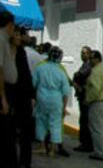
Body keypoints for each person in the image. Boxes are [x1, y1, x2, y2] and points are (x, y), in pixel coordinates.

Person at [33, 47, 71, 158]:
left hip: (42, 98)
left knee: (41, 122)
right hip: (56, 100)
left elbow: (34, 83)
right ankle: (52, 150)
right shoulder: (61, 71)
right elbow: (65, 92)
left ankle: (42, 146)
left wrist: (34, 99)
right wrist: (64, 108)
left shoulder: (40, 68)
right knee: (55, 124)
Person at [12, 28, 35, 168]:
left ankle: (24, 162)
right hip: (18, 98)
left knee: (23, 135)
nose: (28, 37)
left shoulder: (21, 52)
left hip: (22, 99)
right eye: (26, 34)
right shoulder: (16, 52)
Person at [85, 50, 103, 162]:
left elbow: (95, 89)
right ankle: (101, 150)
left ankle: (99, 152)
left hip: (97, 103)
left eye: (91, 58)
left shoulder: (95, 71)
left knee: (96, 129)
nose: (89, 60)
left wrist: (88, 99)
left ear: (97, 59)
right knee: (101, 129)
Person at [0, 10, 18, 166]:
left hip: (7, 89)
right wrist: (3, 97)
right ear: (10, 25)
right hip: (4, 90)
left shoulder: (5, 41)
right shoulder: (0, 39)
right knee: (6, 133)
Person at [73, 46, 94, 152]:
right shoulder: (84, 64)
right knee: (83, 120)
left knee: (85, 120)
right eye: (82, 53)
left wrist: (75, 76)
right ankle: (84, 143)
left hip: (86, 96)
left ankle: (86, 144)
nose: (83, 55)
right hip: (82, 95)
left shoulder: (88, 65)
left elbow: (79, 76)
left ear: (90, 54)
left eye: (85, 53)